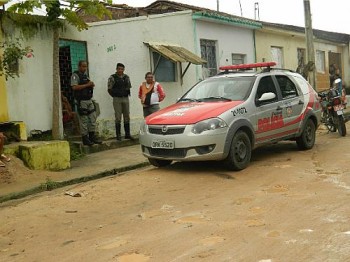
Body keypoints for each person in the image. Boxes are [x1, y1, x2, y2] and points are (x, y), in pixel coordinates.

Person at [71, 60, 102, 146]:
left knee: (93, 118)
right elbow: (74, 87)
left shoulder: (85, 76)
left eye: (86, 66)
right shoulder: (75, 75)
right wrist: (87, 85)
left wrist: (91, 85)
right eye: (83, 66)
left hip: (89, 100)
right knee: (83, 120)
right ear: (79, 66)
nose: (85, 68)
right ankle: (85, 138)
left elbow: (89, 85)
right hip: (82, 101)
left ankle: (92, 137)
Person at [107, 63, 134, 141]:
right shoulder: (112, 77)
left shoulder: (126, 77)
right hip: (117, 99)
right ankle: (118, 135)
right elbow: (109, 89)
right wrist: (115, 96)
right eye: (119, 69)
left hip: (125, 98)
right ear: (116, 69)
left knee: (127, 116)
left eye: (122, 69)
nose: (120, 70)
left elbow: (129, 87)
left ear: (124, 69)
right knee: (118, 117)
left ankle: (127, 134)